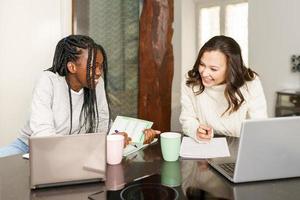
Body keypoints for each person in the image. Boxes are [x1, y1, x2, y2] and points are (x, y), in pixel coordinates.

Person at [0, 35, 158, 157]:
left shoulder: (97, 83)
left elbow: (102, 126)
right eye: (93, 66)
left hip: (74, 152)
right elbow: (44, 138)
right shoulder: (48, 81)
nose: (98, 72)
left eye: (101, 66)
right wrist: (93, 144)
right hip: (29, 147)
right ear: (72, 66)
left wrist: (124, 138)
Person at [179, 35, 267, 142]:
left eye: (213, 69)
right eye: (202, 64)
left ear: (231, 69)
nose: (204, 73)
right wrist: (196, 130)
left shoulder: (250, 83)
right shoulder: (191, 81)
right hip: (204, 147)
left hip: (237, 147)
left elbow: (259, 125)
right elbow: (187, 118)